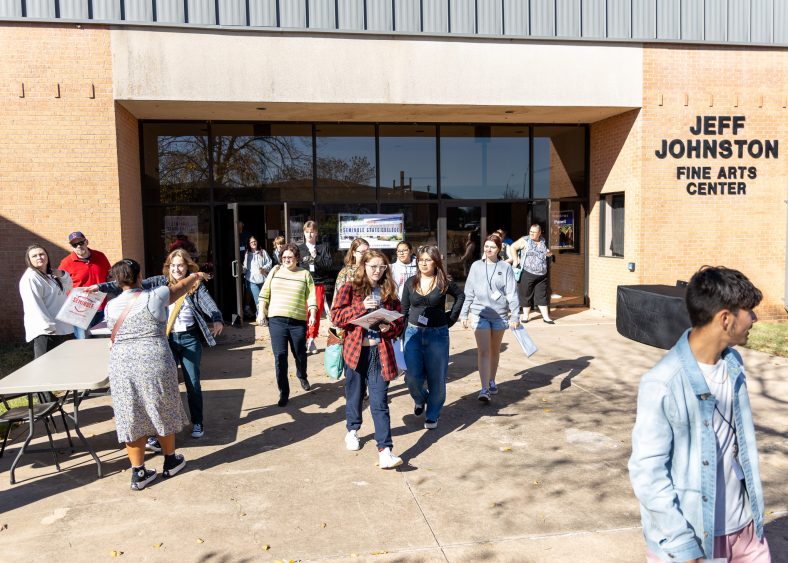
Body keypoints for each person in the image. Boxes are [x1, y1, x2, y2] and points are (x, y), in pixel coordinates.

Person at [629, 266, 770, 562]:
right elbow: (648, 474)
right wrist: (683, 547)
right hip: (695, 539)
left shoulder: (733, 365)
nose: (754, 319)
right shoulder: (662, 382)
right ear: (725, 319)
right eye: (749, 312)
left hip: (745, 532)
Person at [95, 249, 224, 440]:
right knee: (162, 386)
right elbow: (125, 283)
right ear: (168, 267)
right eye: (173, 265)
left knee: (193, 383)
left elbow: (208, 304)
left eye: (181, 265)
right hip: (166, 340)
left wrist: (217, 318)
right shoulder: (159, 282)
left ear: (188, 266)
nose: (177, 269)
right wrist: (98, 288)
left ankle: (197, 421)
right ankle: (157, 430)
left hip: (189, 339)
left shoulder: (195, 285)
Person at [104, 258, 209, 490]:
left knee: (131, 412)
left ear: (117, 281)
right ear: (140, 276)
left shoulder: (110, 307)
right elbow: (180, 288)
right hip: (154, 359)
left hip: (122, 364)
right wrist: (196, 276)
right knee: (163, 406)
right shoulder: (155, 295)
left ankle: (138, 472)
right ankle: (170, 460)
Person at [332, 250, 405, 469]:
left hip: (379, 352)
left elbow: (399, 325)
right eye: (373, 266)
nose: (377, 271)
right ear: (363, 266)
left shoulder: (389, 292)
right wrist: (361, 307)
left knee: (379, 401)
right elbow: (336, 317)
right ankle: (352, 430)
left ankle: (385, 450)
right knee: (354, 394)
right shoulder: (350, 288)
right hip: (355, 351)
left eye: (381, 267)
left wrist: (388, 326)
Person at [400, 245, 464, 429]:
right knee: (412, 377)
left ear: (436, 261)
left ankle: (433, 413)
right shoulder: (410, 282)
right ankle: (420, 398)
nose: (423, 263)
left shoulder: (443, 282)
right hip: (413, 333)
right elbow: (404, 310)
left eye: (428, 259)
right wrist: (400, 334)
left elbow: (460, 296)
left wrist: (451, 318)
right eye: (420, 260)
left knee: (437, 377)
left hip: (437, 335)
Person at [459, 234, 520, 403]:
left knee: (494, 350)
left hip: (500, 316)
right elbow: (468, 292)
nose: (488, 249)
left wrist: (515, 315)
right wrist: (464, 314)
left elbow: (512, 294)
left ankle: (492, 380)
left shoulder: (505, 268)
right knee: (484, 351)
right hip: (480, 314)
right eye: (486, 246)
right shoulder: (476, 266)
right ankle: (484, 388)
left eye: (492, 247)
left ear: (499, 249)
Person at [258, 243, 317, 407]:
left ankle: (302, 374)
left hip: (298, 321)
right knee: (280, 356)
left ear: (296, 258)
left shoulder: (304, 274)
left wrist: (312, 314)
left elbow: (312, 296)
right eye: (284, 257)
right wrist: (261, 312)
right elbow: (264, 293)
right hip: (277, 320)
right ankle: (284, 392)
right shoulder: (275, 271)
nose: (286, 260)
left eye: (290, 257)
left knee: (299, 353)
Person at [19, 244, 74, 358]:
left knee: (63, 366)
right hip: (46, 332)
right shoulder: (31, 278)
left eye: (42, 254)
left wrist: (62, 274)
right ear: (29, 260)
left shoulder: (49, 275)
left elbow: (68, 287)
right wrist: (49, 327)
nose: (39, 257)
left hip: (61, 329)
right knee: (45, 368)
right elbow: (34, 305)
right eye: (34, 256)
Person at [58, 231, 112, 339]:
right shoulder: (66, 263)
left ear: (86, 242)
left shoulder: (100, 256)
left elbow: (109, 276)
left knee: (103, 343)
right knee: (83, 343)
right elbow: (61, 285)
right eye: (74, 244)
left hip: (101, 309)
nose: (78, 246)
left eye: (81, 242)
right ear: (72, 247)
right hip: (80, 311)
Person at [297, 220, 333, 354]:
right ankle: (304, 338)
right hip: (303, 285)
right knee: (304, 313)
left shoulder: (323, 247)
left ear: (316, 232)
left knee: (315, 313)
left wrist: (315, 257)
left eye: (312, 232)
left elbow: (328, 265)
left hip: (318, 284)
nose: (309, 234)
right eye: (307, 232)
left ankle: (311, 338)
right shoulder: (299, 249)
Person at [509, 224, 554, 324]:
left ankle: (546, 317)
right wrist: (516, 260)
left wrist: (548, 253)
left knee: (542, 295)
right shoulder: (525, 240)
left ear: (539, 233)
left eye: (534, 232)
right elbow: (513, 247)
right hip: (527, 273)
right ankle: (525, 316)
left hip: (542, 274)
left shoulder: (543, 240)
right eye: (530, 231)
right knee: (526, 295)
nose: (532, 233)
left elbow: (544, 252)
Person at [243, 235, 272, 323]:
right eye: (251, 242)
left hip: (263, 280)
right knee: (258, 300)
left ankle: (261, 316)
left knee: (265, 300)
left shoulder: (263, 252)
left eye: (254, 241)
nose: (253, 243)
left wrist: (264, 268)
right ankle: (261, 319)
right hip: (252, 280)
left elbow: (269, 263)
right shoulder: (247, 253)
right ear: (249, 244)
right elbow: (245, 267)